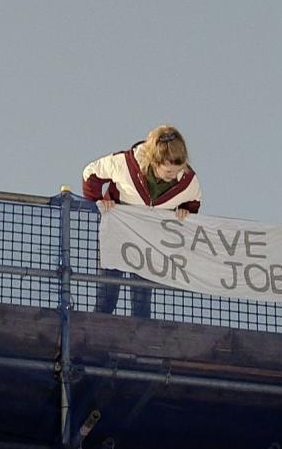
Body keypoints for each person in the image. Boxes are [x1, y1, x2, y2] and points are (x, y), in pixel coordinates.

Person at [82, 125, 202, 318]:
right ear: (155, 161)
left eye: (177, 170)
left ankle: (140, 339)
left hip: (147, 241)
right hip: (117, 234)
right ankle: (95, 338)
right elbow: (90, 174)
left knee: (142, 295)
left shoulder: (188, 179)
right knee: (108, 292)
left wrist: (185, 211)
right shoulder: (124, 164)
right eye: (169, 171)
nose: (174, 175)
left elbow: (194, 201)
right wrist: (98, 200)